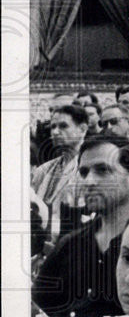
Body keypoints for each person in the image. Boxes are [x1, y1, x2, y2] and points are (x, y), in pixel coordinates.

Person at [33, 136, 129, 317]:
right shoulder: (71, 244)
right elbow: (38, 308)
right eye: (84, 172)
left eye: (103, 170)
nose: (89, 181)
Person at [31, 103, 89, 240]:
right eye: (53, 127)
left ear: (82, 129)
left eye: (63, 126)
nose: (55, 132)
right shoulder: (43, 170)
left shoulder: (91, 169)